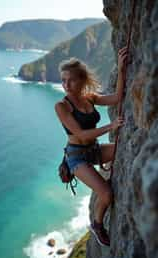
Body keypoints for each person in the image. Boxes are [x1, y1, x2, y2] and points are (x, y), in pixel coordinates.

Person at [54, 46, 127, 246]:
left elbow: (116, 98)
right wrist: (111, 126)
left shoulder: (90, 98)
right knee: (106, 193)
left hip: (93, 150)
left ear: (82, 80)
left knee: (124, 150)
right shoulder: (62, 106)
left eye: (71, 80)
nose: (66, 85)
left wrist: (121, 70)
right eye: (63, 80)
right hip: (76, 157)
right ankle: (97, 224)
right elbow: (81, 134)